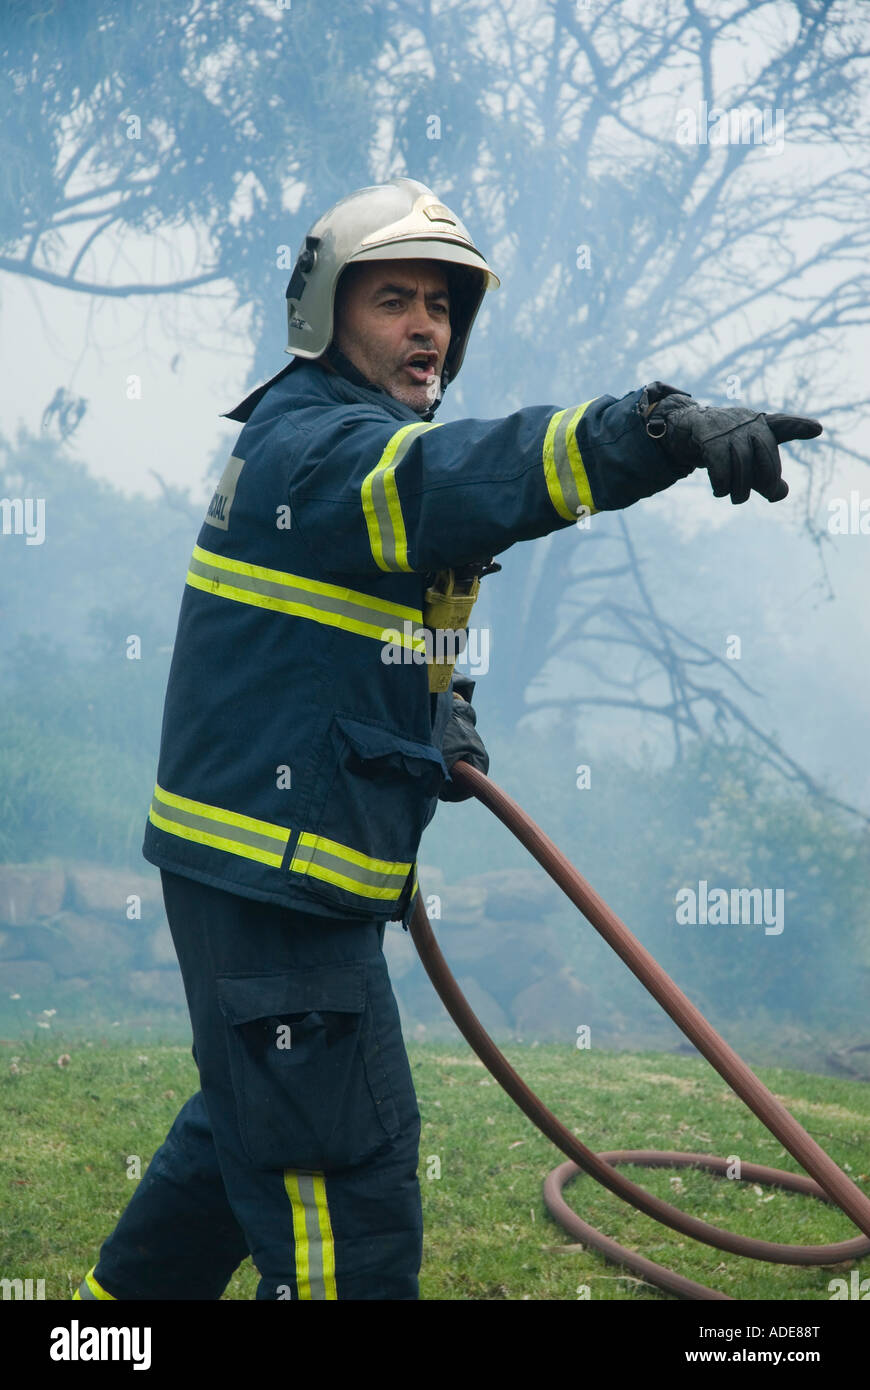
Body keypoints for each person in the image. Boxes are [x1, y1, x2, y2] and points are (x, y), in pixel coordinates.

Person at [73, 177, 821, 1302]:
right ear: (326, 313)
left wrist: (433, 712)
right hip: (282, 891)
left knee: (249, 1128)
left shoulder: (316, 436)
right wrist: (654, 428)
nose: (426, 328)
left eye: (441, 306)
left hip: (262, 882)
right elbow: (464, 480)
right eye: (394, 301)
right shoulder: (330, 453)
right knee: (349, 1199)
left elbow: (332, 638)